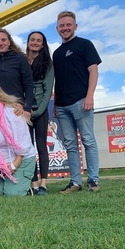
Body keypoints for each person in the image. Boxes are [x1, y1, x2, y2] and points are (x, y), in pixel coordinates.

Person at [53, 11, 102, 193]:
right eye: (62, 26)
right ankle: (75, 182)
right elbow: (58, 80)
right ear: (57, 29)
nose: (65, 28)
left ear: (75, 26)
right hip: (63, 106)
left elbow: (93, 71)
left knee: (88, 141)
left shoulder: (84, 45)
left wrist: (90, 95)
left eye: (68, 25)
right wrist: (56, 104)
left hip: (81, 101)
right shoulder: (57, 54)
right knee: (70, 145)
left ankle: (93, 181)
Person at [26, 32, 54, 195]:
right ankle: (33, 183)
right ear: (28, 42)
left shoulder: (48, 63)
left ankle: (43, 184)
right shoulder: (21, 60)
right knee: (28, 148)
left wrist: (38, 112)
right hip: (24, 110)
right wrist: (25, 109)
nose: (35, 43)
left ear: (43, 45)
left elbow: (47, 90)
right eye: (32, 40)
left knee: (41, 146)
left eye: (39, 41)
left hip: (40, 111)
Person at [0, 28, 33, 121]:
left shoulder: (20, 59)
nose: (0, 43)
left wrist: (27, 108)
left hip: (17, 109)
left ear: (9, 42)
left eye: (3, 40)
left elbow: (29, 85)